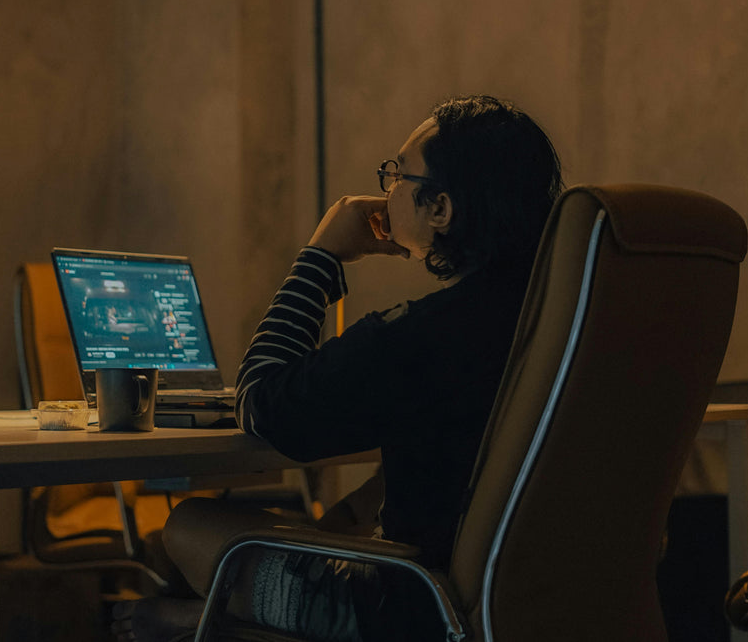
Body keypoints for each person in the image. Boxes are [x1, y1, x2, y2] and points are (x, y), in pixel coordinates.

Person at [112, 94, 563, 642]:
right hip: (547, 598)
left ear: (440, 209)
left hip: (415, 608)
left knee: (186, 526)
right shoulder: (570, 323)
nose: (387, 188)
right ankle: (208, 623)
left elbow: (262, 403)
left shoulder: (418, 338)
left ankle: (211, 627)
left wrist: (320, 257)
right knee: (372, 491)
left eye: (399, 174)